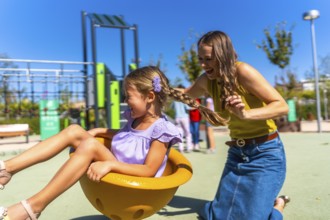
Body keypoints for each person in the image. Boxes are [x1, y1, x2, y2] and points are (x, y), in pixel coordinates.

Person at [0, 66, 188, 220]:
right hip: (119, 166)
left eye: (128, 96)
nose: (125, 100)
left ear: (150, 97)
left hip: (136, 184)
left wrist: (110, 164)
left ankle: (32, 208)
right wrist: (99, 130)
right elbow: (130, 137)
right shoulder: (135, 118)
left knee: (89, 146)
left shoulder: (162, 130)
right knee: (74, 130)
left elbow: (149, 170)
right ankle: (6, 169)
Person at [182, 31, 290, 219]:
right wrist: (159, 89)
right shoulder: (208, 80)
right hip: (237, 155)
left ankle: (278, 206)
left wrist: (246, 114)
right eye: (200, 59)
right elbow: (186, 94)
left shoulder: (243, 71)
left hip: (265, 154)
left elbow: (281, 106)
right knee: (218, 216)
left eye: (208, 59)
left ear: (223, 56)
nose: (202, 65)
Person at [171, 85, 193, 153]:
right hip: (184, 117)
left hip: (177, 117)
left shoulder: (175, 100)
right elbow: (188, 108)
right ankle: (189, 148)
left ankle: (181, 148)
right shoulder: (183, 99)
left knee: (180, 134)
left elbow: (172, 107)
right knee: (187, 133)